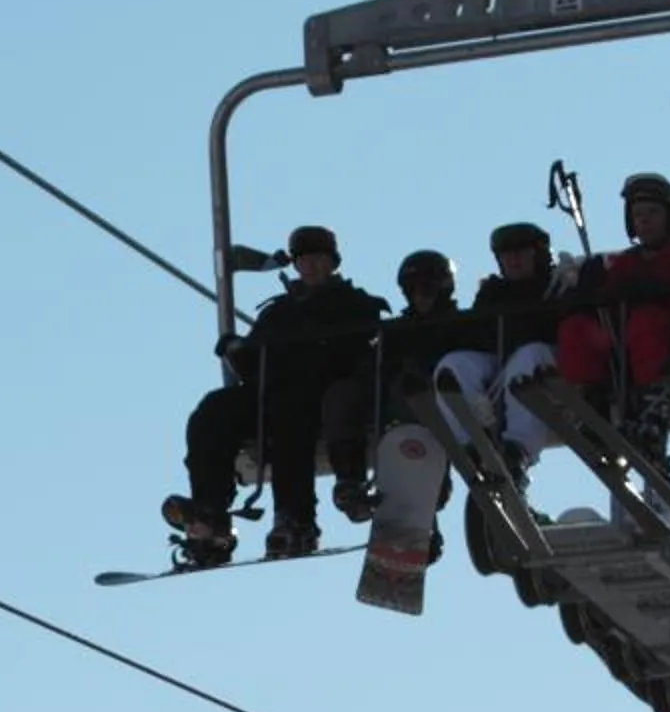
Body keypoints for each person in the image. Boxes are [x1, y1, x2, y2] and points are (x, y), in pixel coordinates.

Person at [165, 225, 386, 564]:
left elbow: (358, 354)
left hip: (321, 394)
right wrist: (239, 351)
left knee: (289, 417)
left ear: (332, 262)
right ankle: (210, 511)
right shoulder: (279, 311)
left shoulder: (354, 304)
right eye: (303, 260)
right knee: (214, 410)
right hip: (272, 392)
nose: (310, 267)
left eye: (318, 259)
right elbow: (254, 363)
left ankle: (295, 518)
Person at [553, 173, 670, 454]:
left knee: (647, 320)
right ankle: (593, 403)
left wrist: (660, 293)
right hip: (621, 351)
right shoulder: (622, 266)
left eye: (653, 213)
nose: (644, 220)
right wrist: (588, 291)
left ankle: (652, 411)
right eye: (637, 214)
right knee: (576, 327)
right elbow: (604, 309)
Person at [339, 249, 469, 521]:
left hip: (441, 410)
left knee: (411, 395)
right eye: (413, 289)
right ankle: (405, 515)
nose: (421, 295)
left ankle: (423, 512)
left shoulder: (461, 326)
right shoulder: (396, 333)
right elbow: (372, 370)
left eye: (427, 288)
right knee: (396, 396)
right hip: (398, 417)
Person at [433, 221, 561, 477]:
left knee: (528, 355)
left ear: (538, 253)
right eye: (506, 254)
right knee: (454, 364)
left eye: (521, 252)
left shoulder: (558, 284)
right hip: (503, 361)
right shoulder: (493, 293)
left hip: (548, 360)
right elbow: (475, 336)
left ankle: (518, 448)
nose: (513, 259)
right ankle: (471, 444)